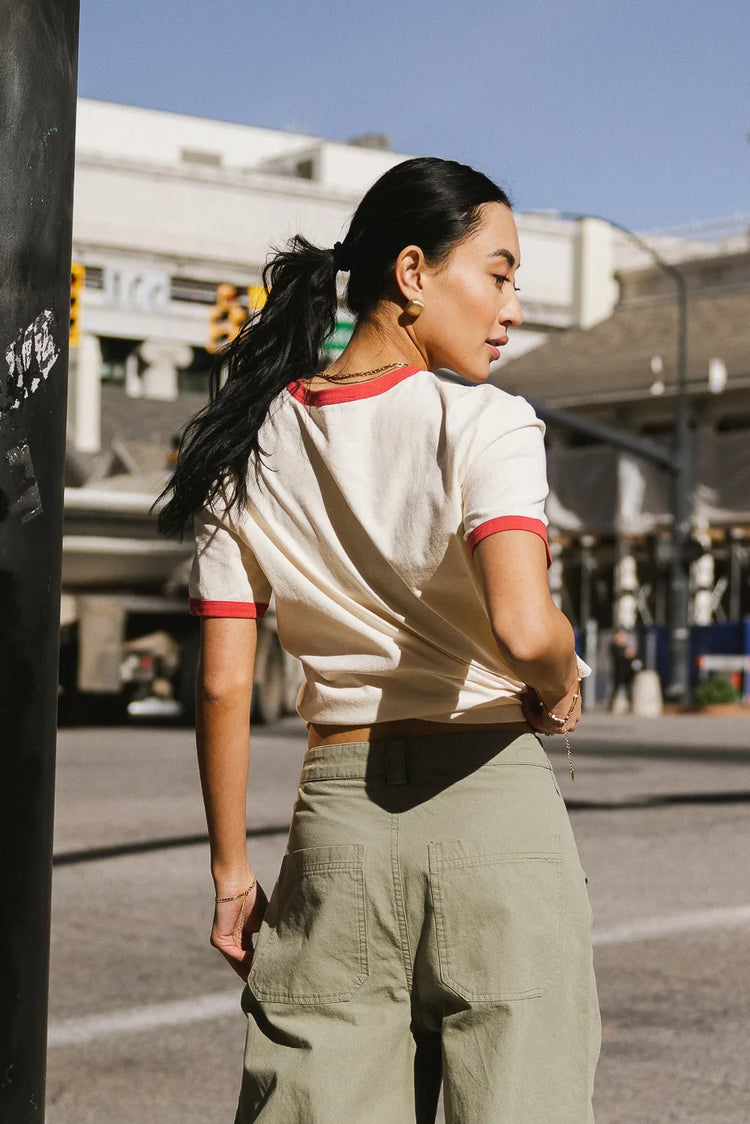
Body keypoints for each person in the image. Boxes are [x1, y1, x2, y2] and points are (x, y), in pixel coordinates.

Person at [159, 157, 601, 1123]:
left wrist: (232, 871)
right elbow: (527, 625)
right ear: (412, 271)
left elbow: (225, 686)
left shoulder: (245, 449)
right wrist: (563, 677)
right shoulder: (485, 423)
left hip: (340, 825)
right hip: (494, 808)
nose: (511, 307)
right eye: (498, 272)